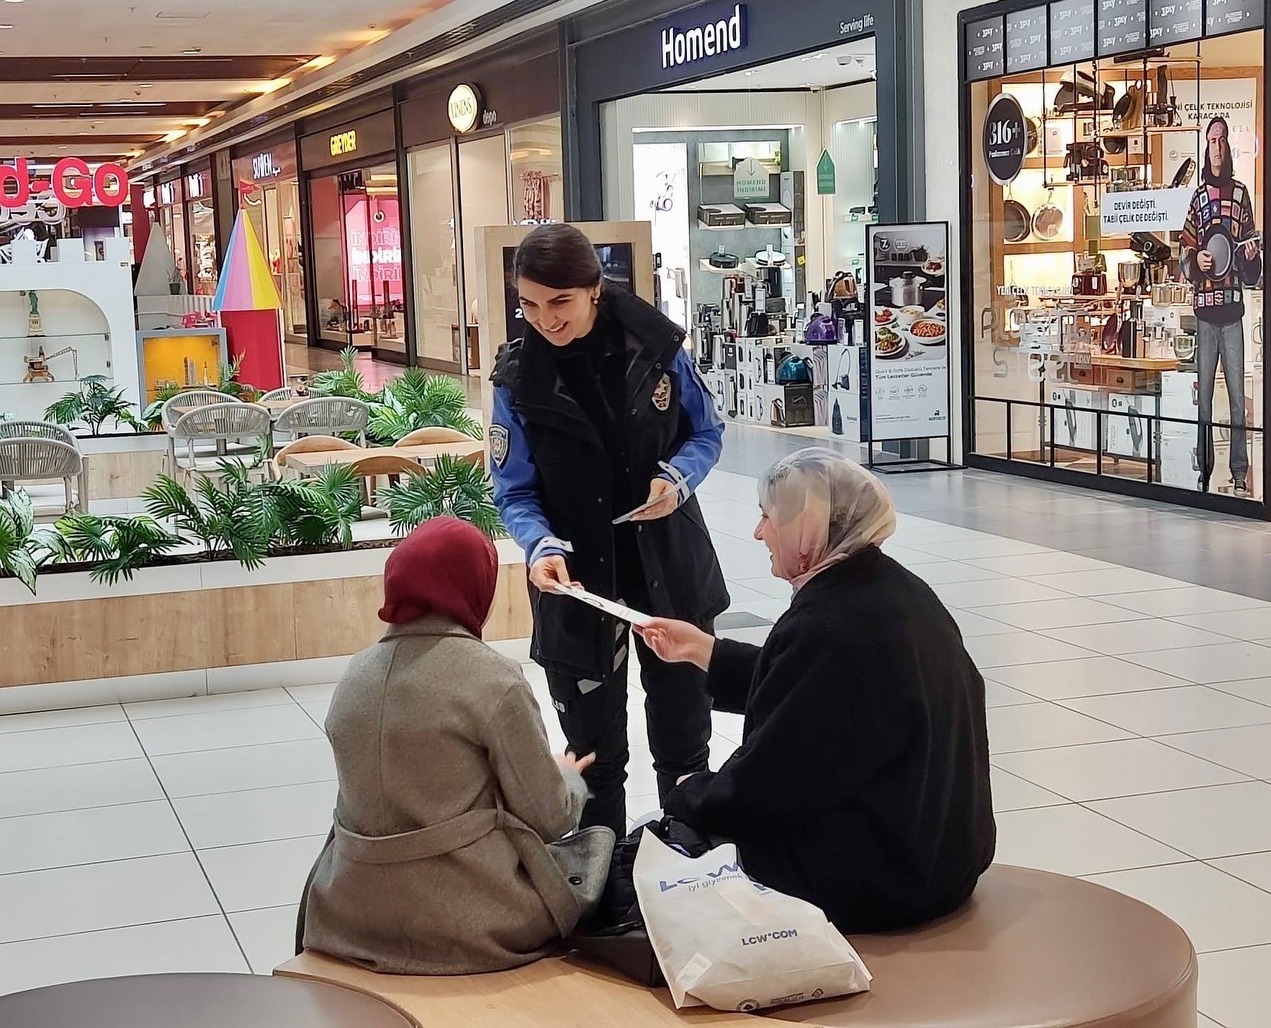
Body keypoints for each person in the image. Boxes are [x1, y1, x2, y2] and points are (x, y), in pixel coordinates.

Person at [636, 449, 995, 933]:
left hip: (885, 881)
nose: (759, 532)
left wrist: (690, 795)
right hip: (942, 857)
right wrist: (706, 652)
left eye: (768, 517)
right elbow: (815, 693)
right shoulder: (893, 593)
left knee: (668, 850)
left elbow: (773, 781)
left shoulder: (830, 626)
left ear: (807, 530)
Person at [490, 223, 729, 838]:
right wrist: (539, 546)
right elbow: (514, 490)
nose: (545, 319)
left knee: (684, 747)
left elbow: (706, 432)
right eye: (530, 305)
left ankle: (686, 876)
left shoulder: (657, 348)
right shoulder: (518, 381)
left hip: (669, 570)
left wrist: (676, 479)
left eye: (560, 302)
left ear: (594, 289)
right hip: (576, 584)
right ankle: (602, 893)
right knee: (595, 762)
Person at [298, 517, 614, 974]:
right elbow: (548, 817)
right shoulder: (492, 679)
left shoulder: (355, 676)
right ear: (476, 588)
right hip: (471, 922)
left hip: (348, 914)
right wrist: (566, 776)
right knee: (600, 864)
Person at [1180, 115, 1261, 497]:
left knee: (1236, 399)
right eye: (1211, 141)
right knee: (1206, 401)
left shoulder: (1242, 195)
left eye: (1222, 140)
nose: (1216, 147)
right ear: (1206, 146)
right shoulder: (1197, 198)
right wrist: (1197, 261)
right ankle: (1205, 469)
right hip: (1205, 312)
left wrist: (1249, 254)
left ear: (1229, 147)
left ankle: (1240, 471)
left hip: (1231, 311)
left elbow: (1250, 262)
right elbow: (1186, 248)